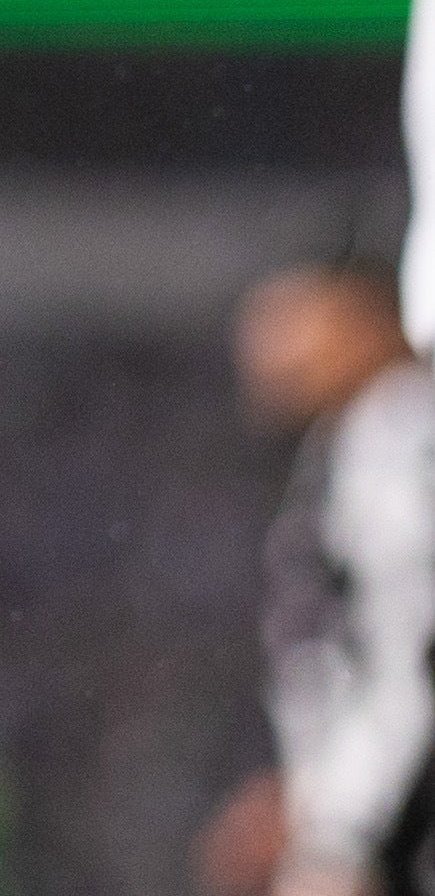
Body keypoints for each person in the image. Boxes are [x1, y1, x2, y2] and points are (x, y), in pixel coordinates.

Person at [201, 263, 435, 896]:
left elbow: (408, 648)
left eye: (291, 314)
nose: (264, 345)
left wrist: (348, 837)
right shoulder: (356, 438)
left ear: (362, 312)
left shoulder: (403, 432)